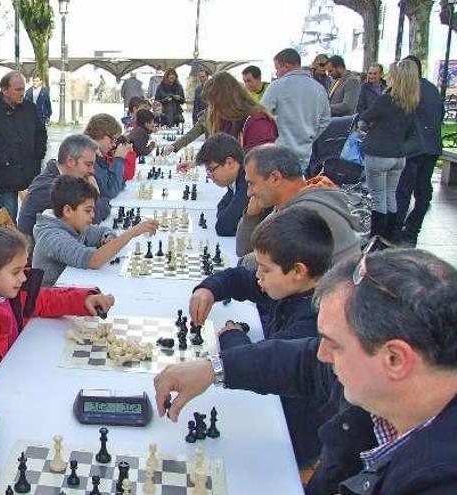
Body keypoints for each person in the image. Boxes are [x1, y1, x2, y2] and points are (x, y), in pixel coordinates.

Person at [153, 248, 457, 495]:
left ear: (395, 359)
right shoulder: (381, 388)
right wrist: (213, 369)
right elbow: (303, 361)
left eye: (333, 344)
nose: (322, 353)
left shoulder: (436, 478)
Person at [191, 207, 334, 468]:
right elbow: (239, 279)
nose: (258, 276)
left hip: (290, 441)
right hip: (275, 415)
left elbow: (269, 361)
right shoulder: (291, 287)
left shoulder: (315, 320)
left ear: (298, 271)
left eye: (265, 270)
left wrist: (232, 336)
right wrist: (208, 290)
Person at [0, 227, 115, 384]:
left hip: (15, 371)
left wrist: (83, 300)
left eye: (24, 269)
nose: (24, 278)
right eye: (16, 272)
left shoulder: (3, 288)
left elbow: (41, 300)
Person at [236, 144, 360, 264]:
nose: (249, 192)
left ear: (275, 178)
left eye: (251, 183)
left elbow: (254, 263)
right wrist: (251, 216)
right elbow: (246, 250)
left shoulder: (304, 213)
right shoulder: (292, 202)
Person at [32, 176, 158, 286]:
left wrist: (108, 237)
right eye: (88, 210)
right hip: (49, 302)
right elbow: (94, 260)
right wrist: (131, 233)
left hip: (72, 286)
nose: (93, 215)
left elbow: (101, 231)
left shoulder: (73, 224)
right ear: (68, 211)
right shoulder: (52, 237)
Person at [359, 59, 419, 239]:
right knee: (390, 195)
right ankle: (389, 236)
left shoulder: (386, 100)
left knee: (378, 197)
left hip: (379, 153)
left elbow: (364, 118)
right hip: (399, 155)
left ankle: (375, 237)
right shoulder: (412, 102)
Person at [0, 70, 48, 223]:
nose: (22, 93)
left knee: (36, 217)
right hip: (8, 175)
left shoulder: (30, 108)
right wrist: (2, 160)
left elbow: (41, 133)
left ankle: (33, 245)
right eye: (18, 90)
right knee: (8, 219)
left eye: (23, 88)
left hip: (31, 172)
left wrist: (38, 154)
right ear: (5, 90)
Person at [164, 72, 278, 159]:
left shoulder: (257, 122)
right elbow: (196, 131)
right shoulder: (222, 114)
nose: (212, 108)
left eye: (214, 103)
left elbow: (261, 163)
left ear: (227, 99)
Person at [17, 134, 110, 238]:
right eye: (88, 165)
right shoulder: (50, 187)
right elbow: (92, 219)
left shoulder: (62, 179)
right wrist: (96, 193)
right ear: (70, 161)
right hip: (36, 251)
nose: (92, 171)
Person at [395, 55, 444, 246]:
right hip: (431, 148)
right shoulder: (432, 89)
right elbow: (438, 117)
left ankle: (397, 231)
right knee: (423, 192)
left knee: (403, 192)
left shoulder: (406, 89)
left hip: (411, 149)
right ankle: (412, 229)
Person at [262, 48, 330, 171]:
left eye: (277, 68)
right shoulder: (320, 89)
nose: (276, 73)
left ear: (286, 66)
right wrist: (310, 136)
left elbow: (261, 115)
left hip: (278, 151)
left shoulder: (277, 86)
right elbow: (325, 121)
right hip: (305, 152)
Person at [193, 133, 250, 236]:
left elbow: (223, 227)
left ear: (230, 163)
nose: (209, 176)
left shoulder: (248, 181)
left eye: (211, 169)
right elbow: (221, 205)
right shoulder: (237, 176)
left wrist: (226, 216)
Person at [84, 113, 130, 200]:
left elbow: (121, 182)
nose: (113, 144)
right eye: (112, 139)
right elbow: (110, 191)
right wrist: (119, 159)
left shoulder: (97, 153)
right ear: (101, 134)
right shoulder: (87, 155)